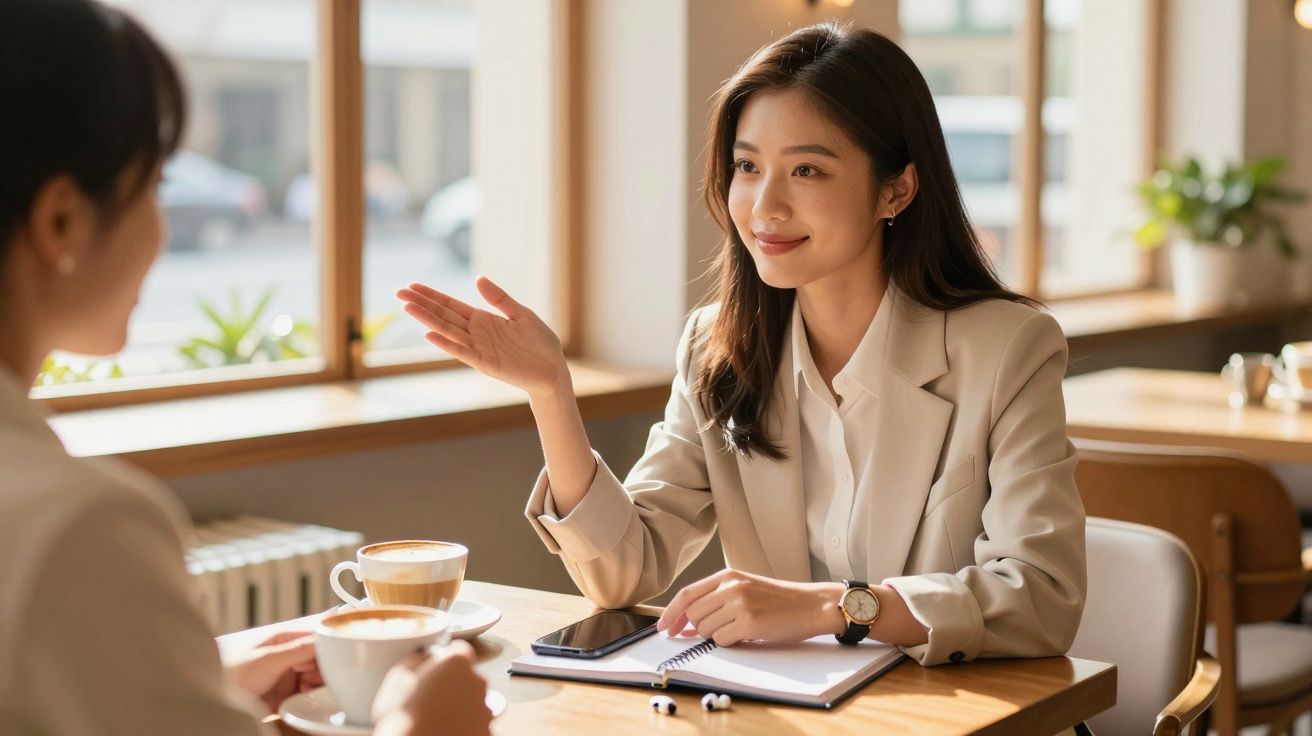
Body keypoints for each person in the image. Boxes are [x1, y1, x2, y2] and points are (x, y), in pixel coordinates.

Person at [398, 21, 1084, 667]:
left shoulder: (1008, 350)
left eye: (807, 170)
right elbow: (622, 570)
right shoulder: (715, 349)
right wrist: (551, 391)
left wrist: (835, 608)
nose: (765, 206)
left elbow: (1041, 598)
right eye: (748, 167)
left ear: (896, 189)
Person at [0, 1, 491, 734]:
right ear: (62, 222)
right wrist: (422, 726)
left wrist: (201, 680)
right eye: (155, 185)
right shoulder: (78, 526)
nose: (162, 227)